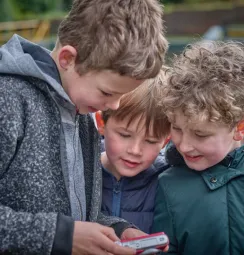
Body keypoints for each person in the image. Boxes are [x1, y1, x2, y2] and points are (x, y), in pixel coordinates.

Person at [0, 0, 168, 254]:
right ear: (68, 58)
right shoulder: (8, 100)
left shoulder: (83, 113)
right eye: (107, 92)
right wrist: (59, 236)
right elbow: (65, 230)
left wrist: (119, 229)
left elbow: (78, 214)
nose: (113, 105)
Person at [152, 41, 244, 254]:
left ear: (240, 127)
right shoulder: (169, 184)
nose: (183, 145)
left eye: (200, 134)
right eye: (176, 128)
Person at [94, 71, 170, 234]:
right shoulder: (80, 170)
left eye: (150, 141)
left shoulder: (167, 181)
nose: (135, 151)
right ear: (101, 123)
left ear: (166, 140)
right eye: (124, 135)